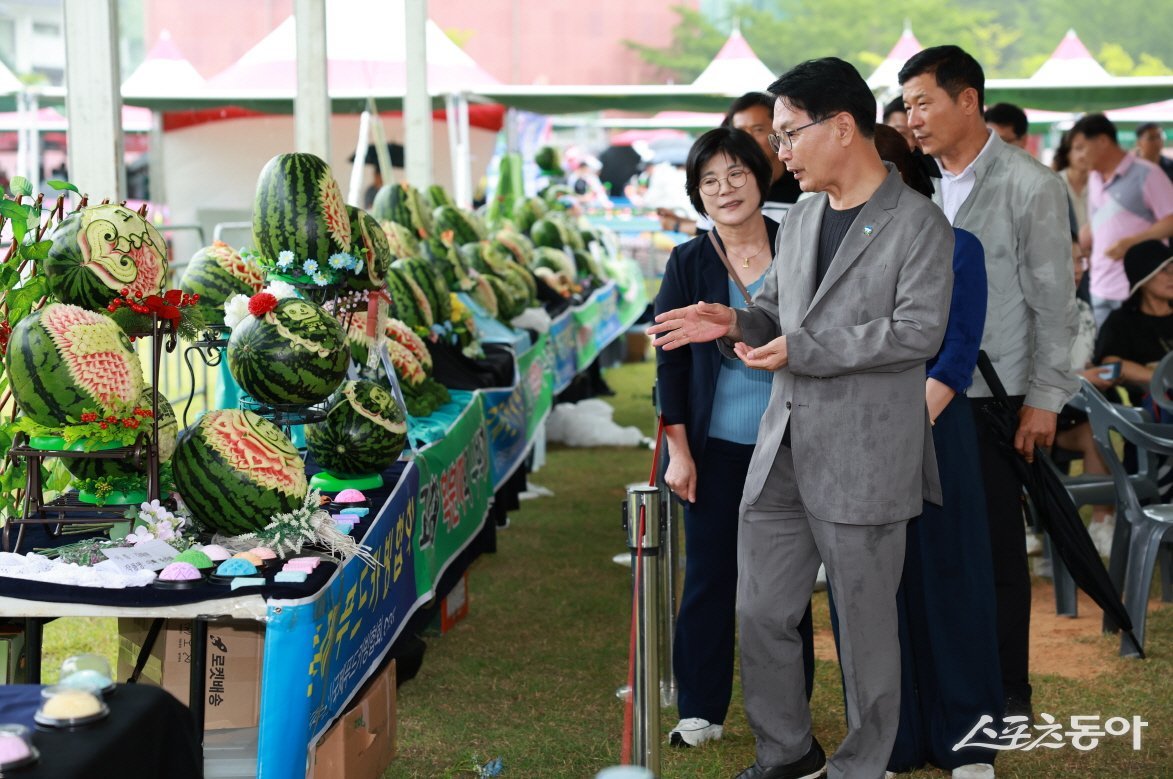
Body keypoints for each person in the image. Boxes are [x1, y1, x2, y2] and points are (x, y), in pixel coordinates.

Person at [650, 56, 954, 779]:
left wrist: (801, 345)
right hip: (780, 448)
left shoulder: (918, 225)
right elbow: (779, 317)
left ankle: (861, 764)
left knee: (864, 628)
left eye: (788, 132)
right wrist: (733, 320)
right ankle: (786, 752)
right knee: (759, 612)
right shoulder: (807, 213)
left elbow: (917, 332)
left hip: (865, 457)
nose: (778, 150)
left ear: (841, 128)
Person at [899, 44, 1077, 722]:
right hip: (914, 392)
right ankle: (940, 682)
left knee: (996, 549)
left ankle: (1009, 689)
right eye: (907, 106)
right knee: (928, 546)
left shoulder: (1031, 186)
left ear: (967, 99)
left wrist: (1043, 398)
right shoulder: (914, 185)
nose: (912, 119)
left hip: (992, 399)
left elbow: (1053, 302)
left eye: (924, 103)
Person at [829, 125, 1000, 779]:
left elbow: (954, 357)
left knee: (950, 581)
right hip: (851, 441)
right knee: (870, 593)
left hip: (935, 434)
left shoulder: (958, 248)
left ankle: (968, 741)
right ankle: (888, 741)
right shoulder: (831, 256)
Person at [655, 126, 814, 750]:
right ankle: (700, 708)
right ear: (697, 194)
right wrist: (679, 452)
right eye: (710, 181)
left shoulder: (799, 244)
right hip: (716, 447)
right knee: (711, 578)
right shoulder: (688, 261)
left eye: (737, 174)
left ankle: (787, 708)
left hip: (793, 441)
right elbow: (668, 362)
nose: (725, 190)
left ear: (762, 175)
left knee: (785, 587)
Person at [1070, 113, 1173, 327]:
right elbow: (1102, 222)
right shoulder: (1096, 177)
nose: (1078, 156)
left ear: (1102, 141)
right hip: (1099, 285)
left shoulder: (1147, 173)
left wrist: (1131, 243)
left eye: (1081, 147)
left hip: (1135, 288)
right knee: (1101, 356)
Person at [656, 92, 804, 237]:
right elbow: (716, 231)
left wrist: (677, 225)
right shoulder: (725, 187)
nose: (747, 139)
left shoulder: (802, 183)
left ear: (778, 132)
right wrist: (678, 223)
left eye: (758, 129)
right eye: (740, 131)